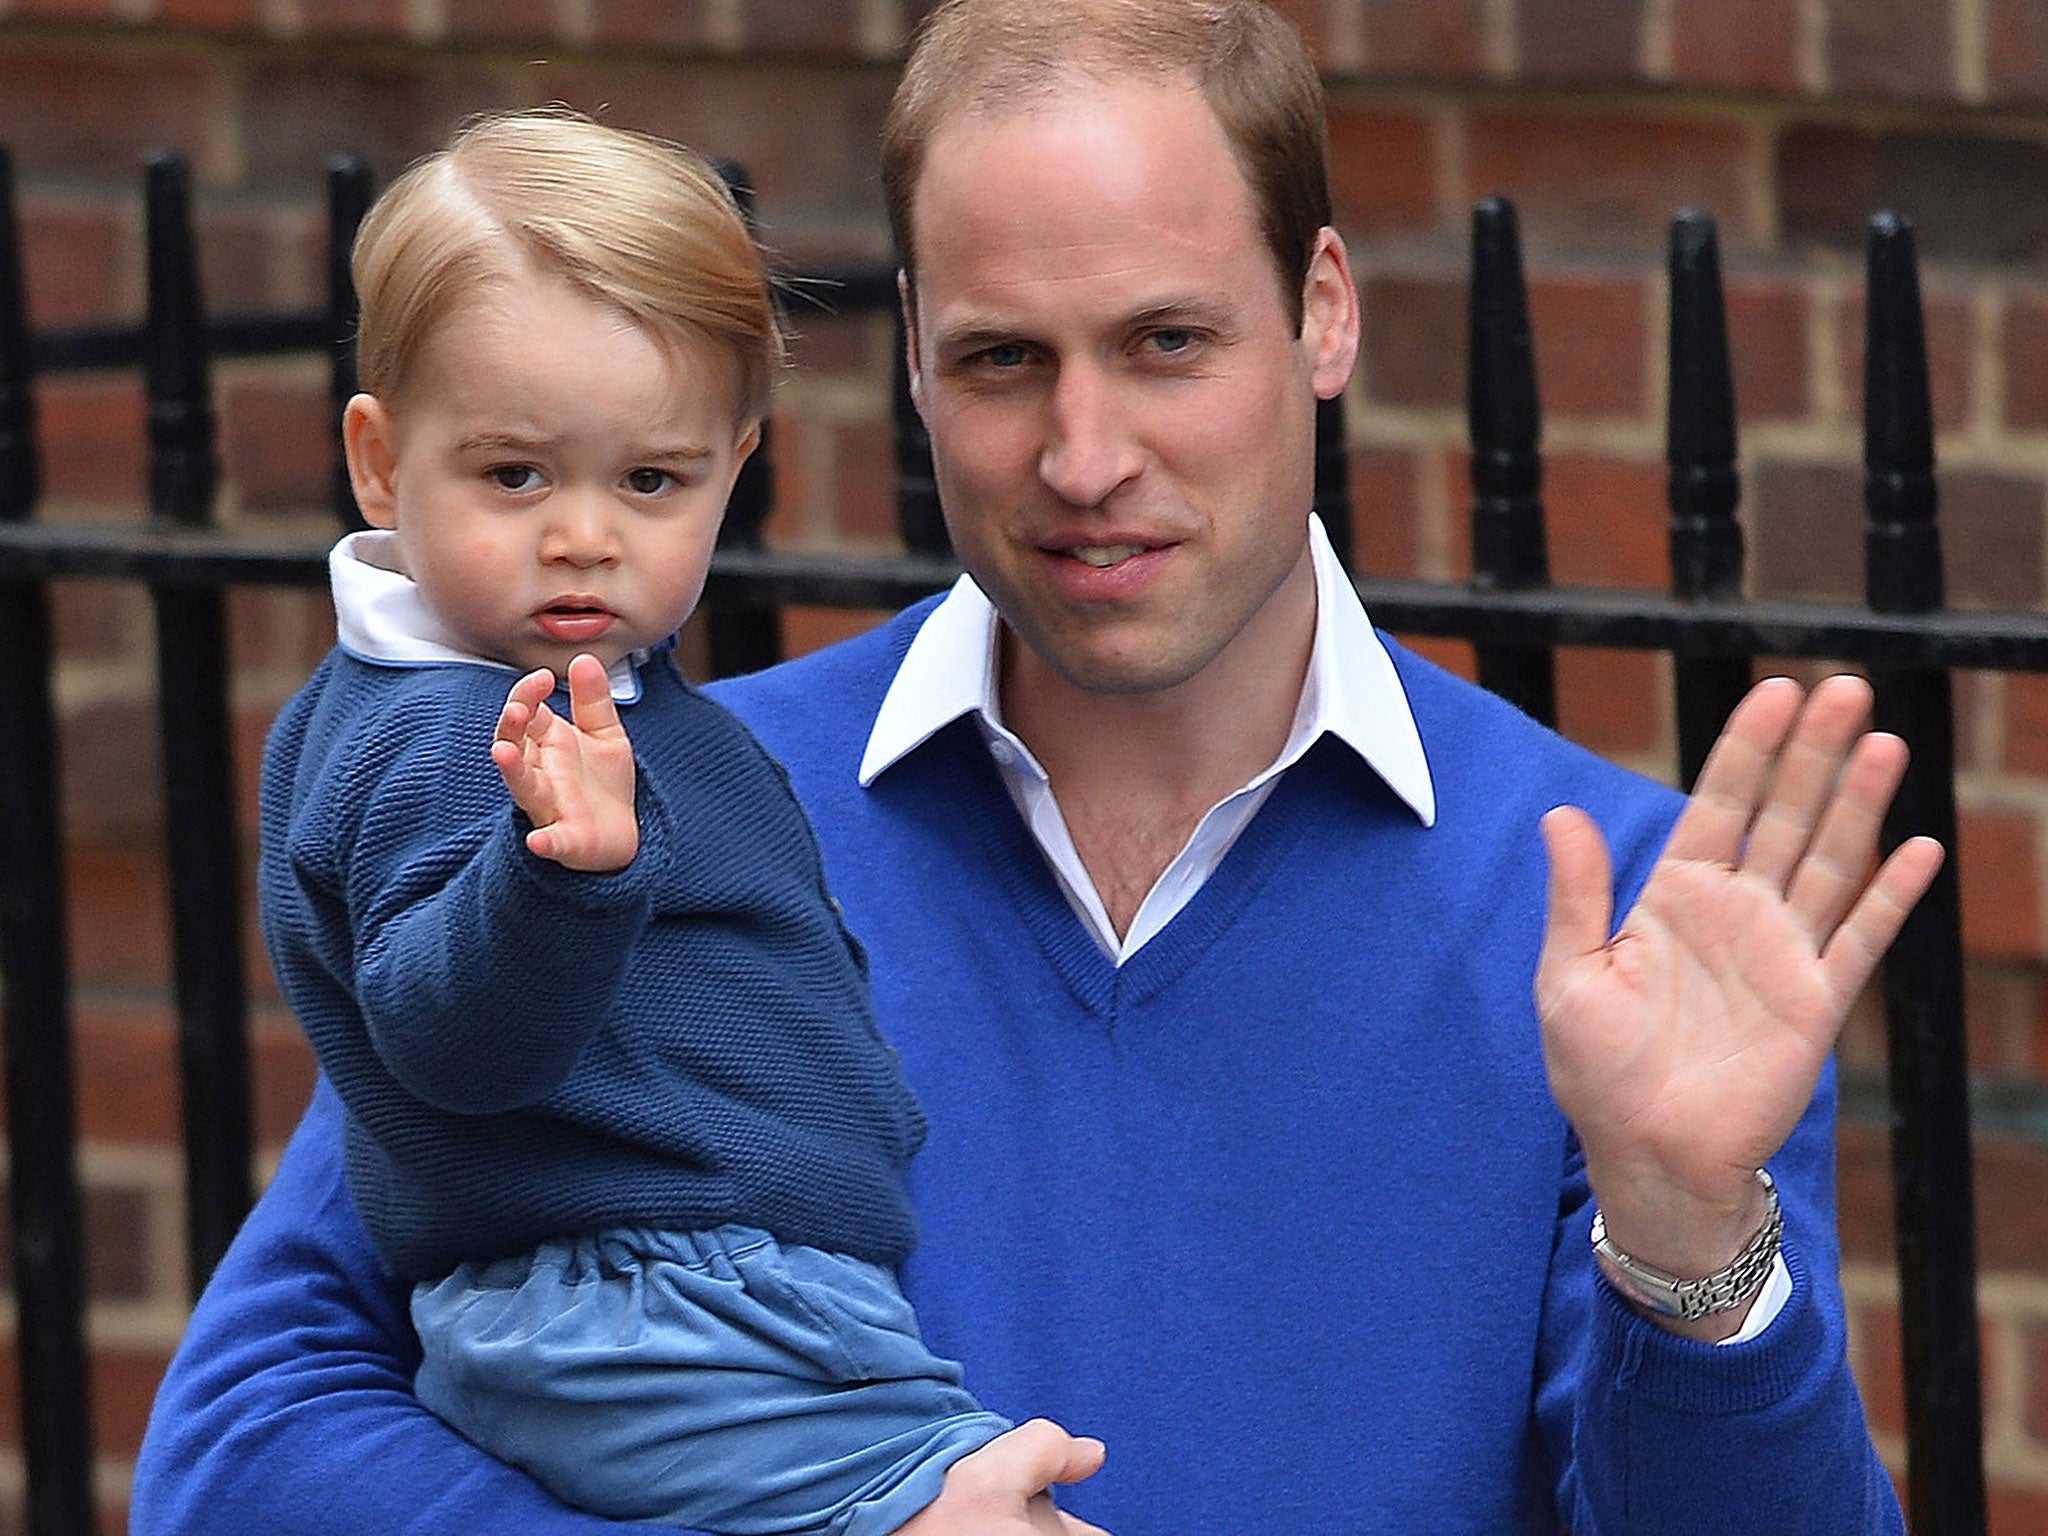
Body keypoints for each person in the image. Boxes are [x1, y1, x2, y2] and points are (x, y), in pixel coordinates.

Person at [131, 4, 1941, 1533]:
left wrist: (1694, 1249)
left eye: (1167, 343)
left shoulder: (1618, 914)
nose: (1085, 456)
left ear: (1321, 312)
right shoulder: (634, 799)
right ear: (913, 355)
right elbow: (233, 1454)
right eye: (1004, 358)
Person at [239, 106, 1044, 1536]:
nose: (584, 534)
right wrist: (561, 878)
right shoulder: (453, 733)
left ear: (736, 465)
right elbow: (446, 1038)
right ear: (379, 464)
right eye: (513, 474)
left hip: (710, 1289)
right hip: (630, 1296)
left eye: (650, 480)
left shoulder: (606, 702)